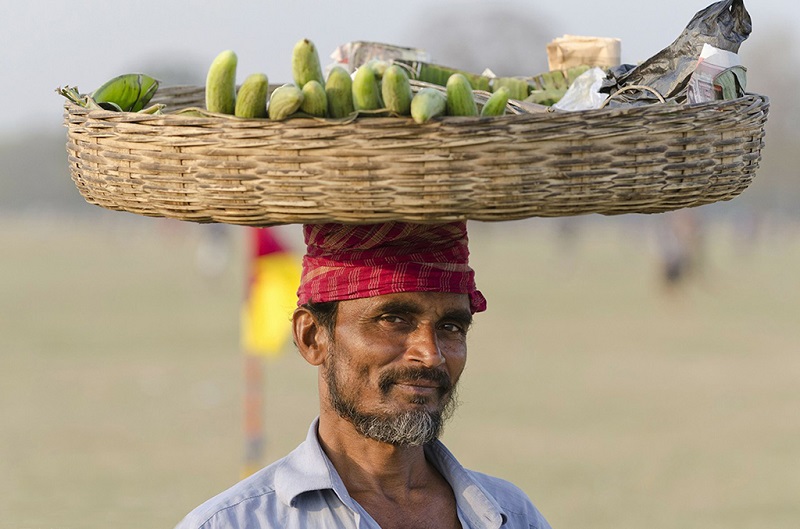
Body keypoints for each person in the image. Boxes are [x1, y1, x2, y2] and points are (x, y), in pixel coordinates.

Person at [175, 221, 552, 529]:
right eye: (393, 319)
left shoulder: (511, 516)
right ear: (312, 338)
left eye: (451, 326)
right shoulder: (234, 524)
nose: (430, 354)